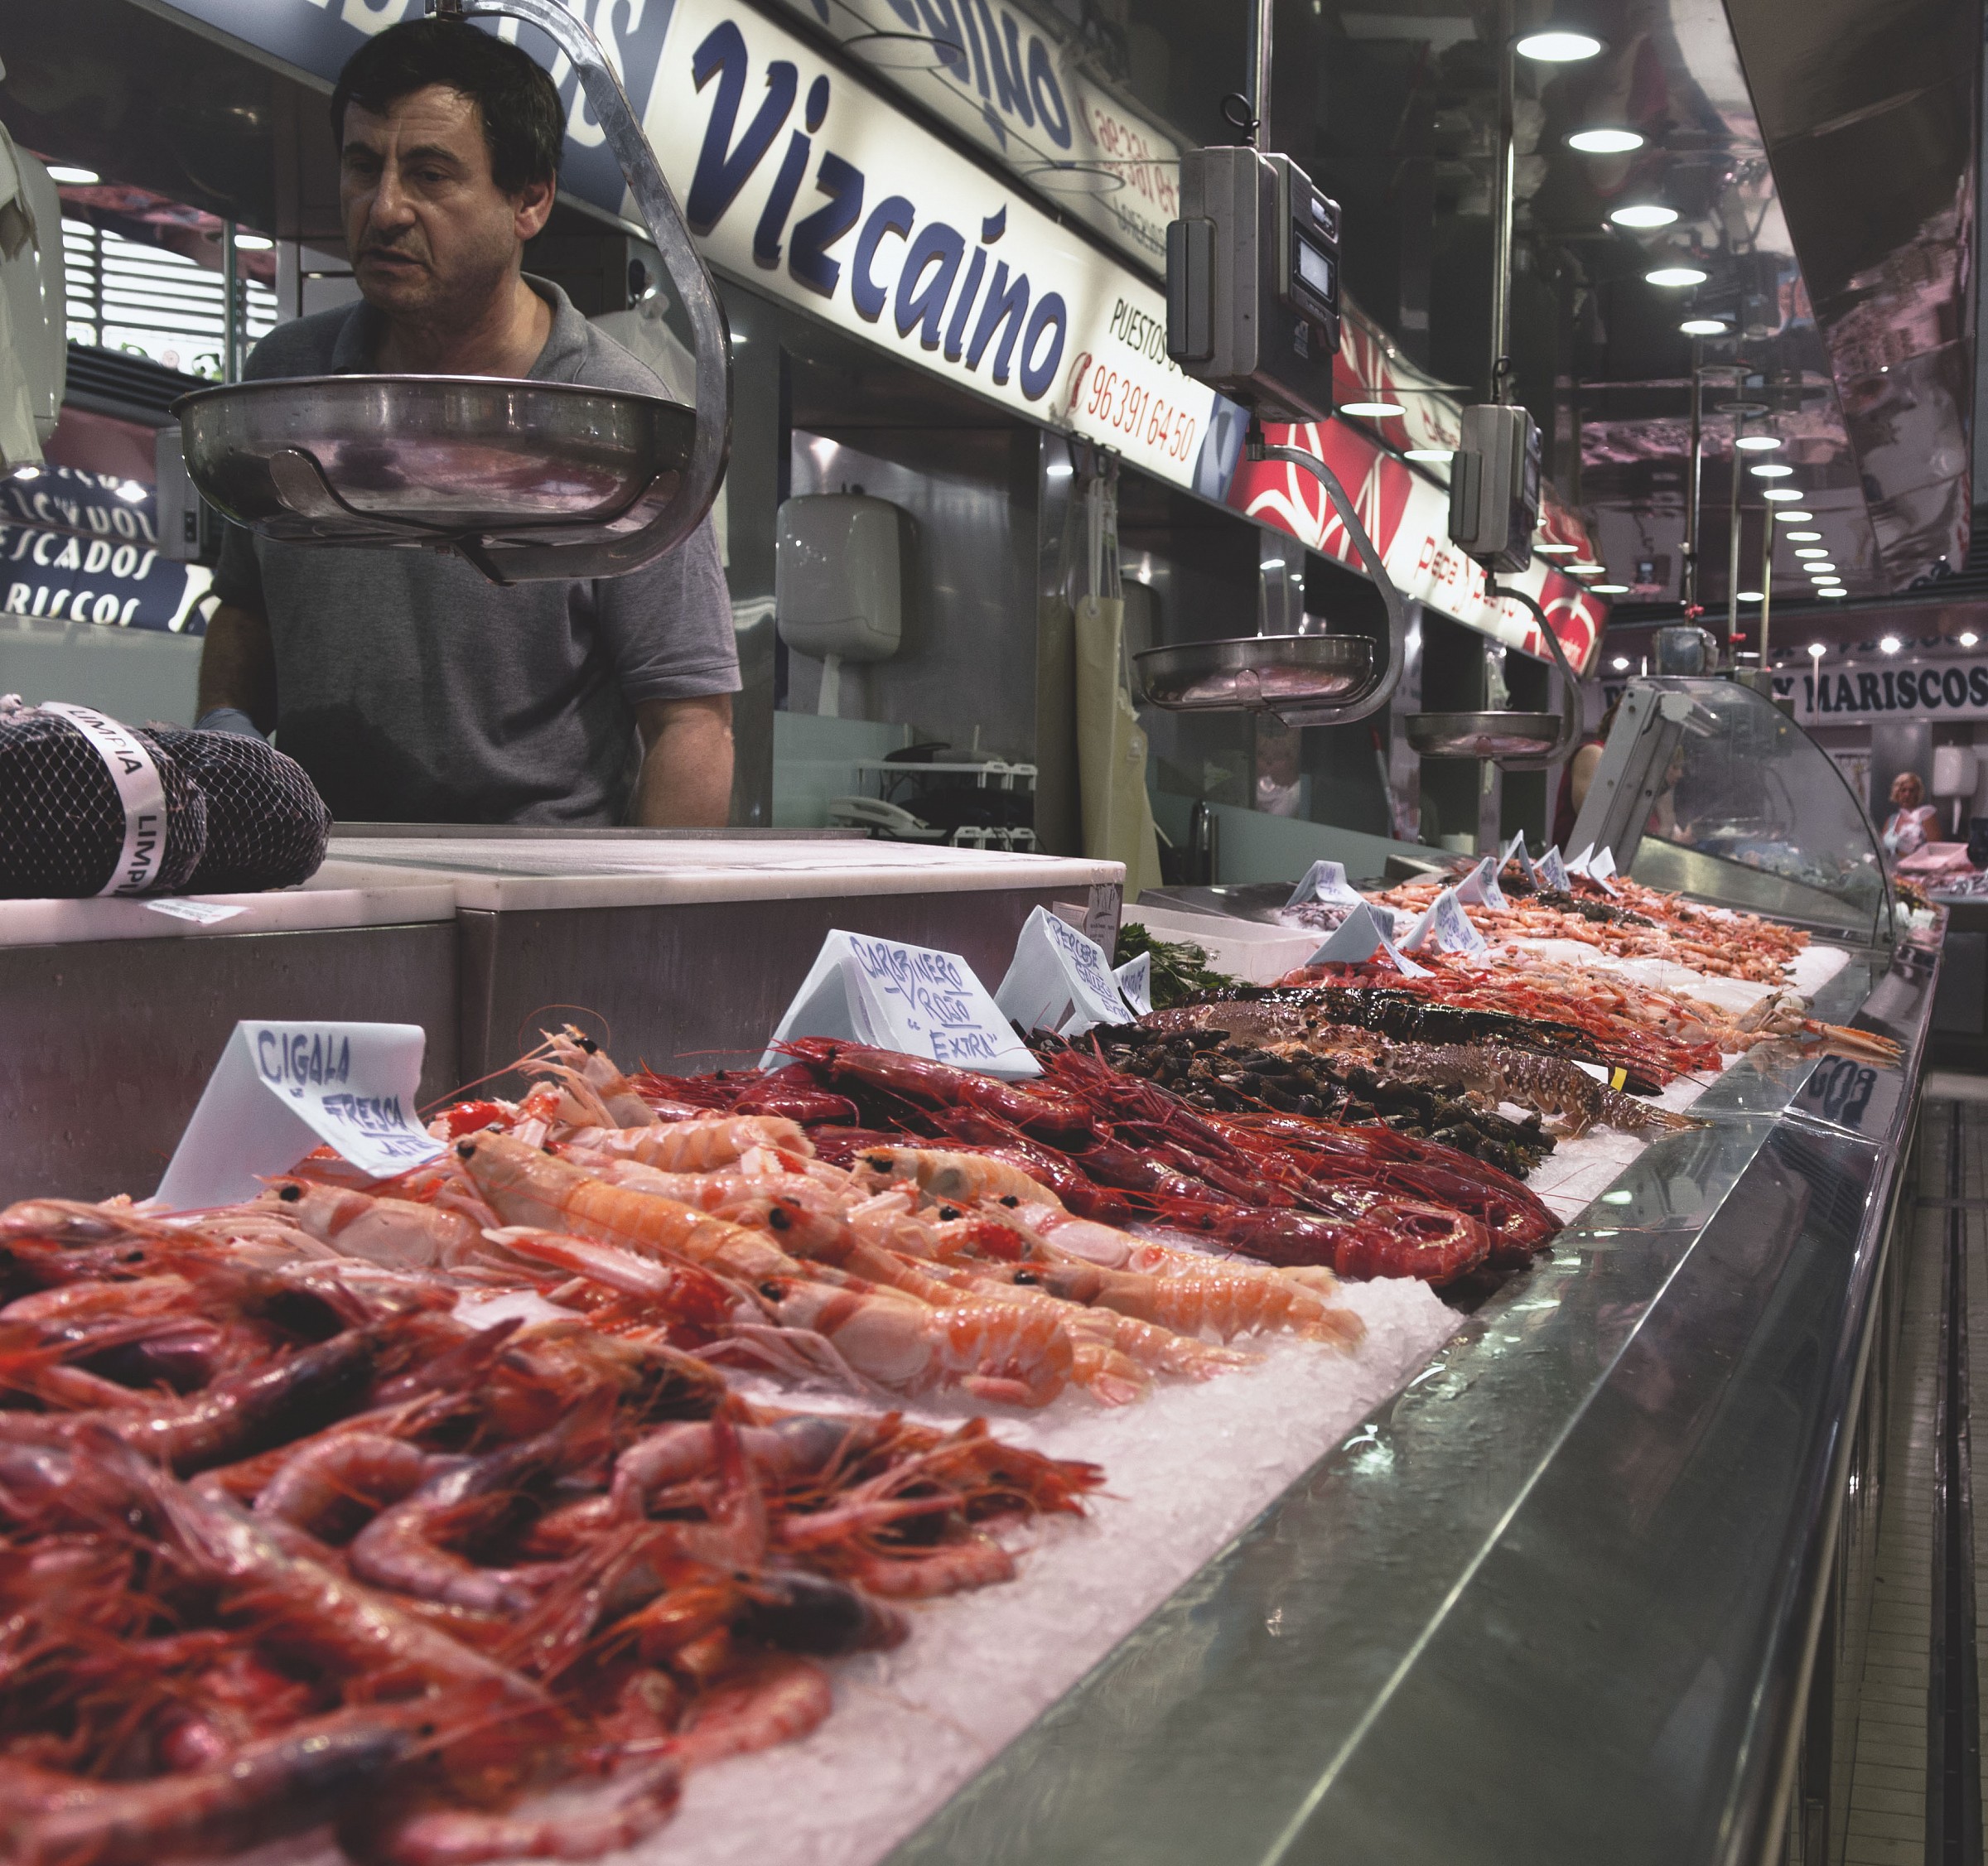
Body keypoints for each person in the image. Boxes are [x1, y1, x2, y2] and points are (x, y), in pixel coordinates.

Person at [195, 20, 737, 826]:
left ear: (531, 199)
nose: (384, 210)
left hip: (540, 897)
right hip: (317, 869)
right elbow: (244, 616)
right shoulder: (289, 378)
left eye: (430, 174)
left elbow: (691, 721)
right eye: (361, 166)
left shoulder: (618, 421)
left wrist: (642, 928)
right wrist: (224, 744)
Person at [1880, 770, 1938, 861]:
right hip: (1892, 871)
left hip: (1917, 871)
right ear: (1897, 793)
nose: (1907, 794)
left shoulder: (1926, 817)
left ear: (1917, 793)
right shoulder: (1891, 820)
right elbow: (1881, 850)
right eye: (1903, 790)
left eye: (1912, 790)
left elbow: (1937, 851)